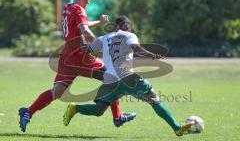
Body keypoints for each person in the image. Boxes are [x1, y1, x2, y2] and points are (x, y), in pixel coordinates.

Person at [18, 0, 136, 133]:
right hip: (80, 56)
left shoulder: (67, 8)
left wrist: (98, 22)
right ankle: (117, 117)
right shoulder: (79, 9)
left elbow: (81, 25)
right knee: (112, 77)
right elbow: (84, 29)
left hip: (67, 56)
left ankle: (28, 112)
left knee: (57, 91)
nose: (89, 2)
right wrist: (99, 44)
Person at [63, 16, 195, 136]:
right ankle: (177, 127)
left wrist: (79, 34)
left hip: (110, 80)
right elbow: (136, 49)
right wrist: (152, 55)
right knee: (153, 98)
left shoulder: (103, 38)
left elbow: (86, 50)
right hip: (127, 77)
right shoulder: (129, 35)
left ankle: (76, 108)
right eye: (128, 25)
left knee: (99, 109)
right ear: (126, 26)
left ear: (115, 26)